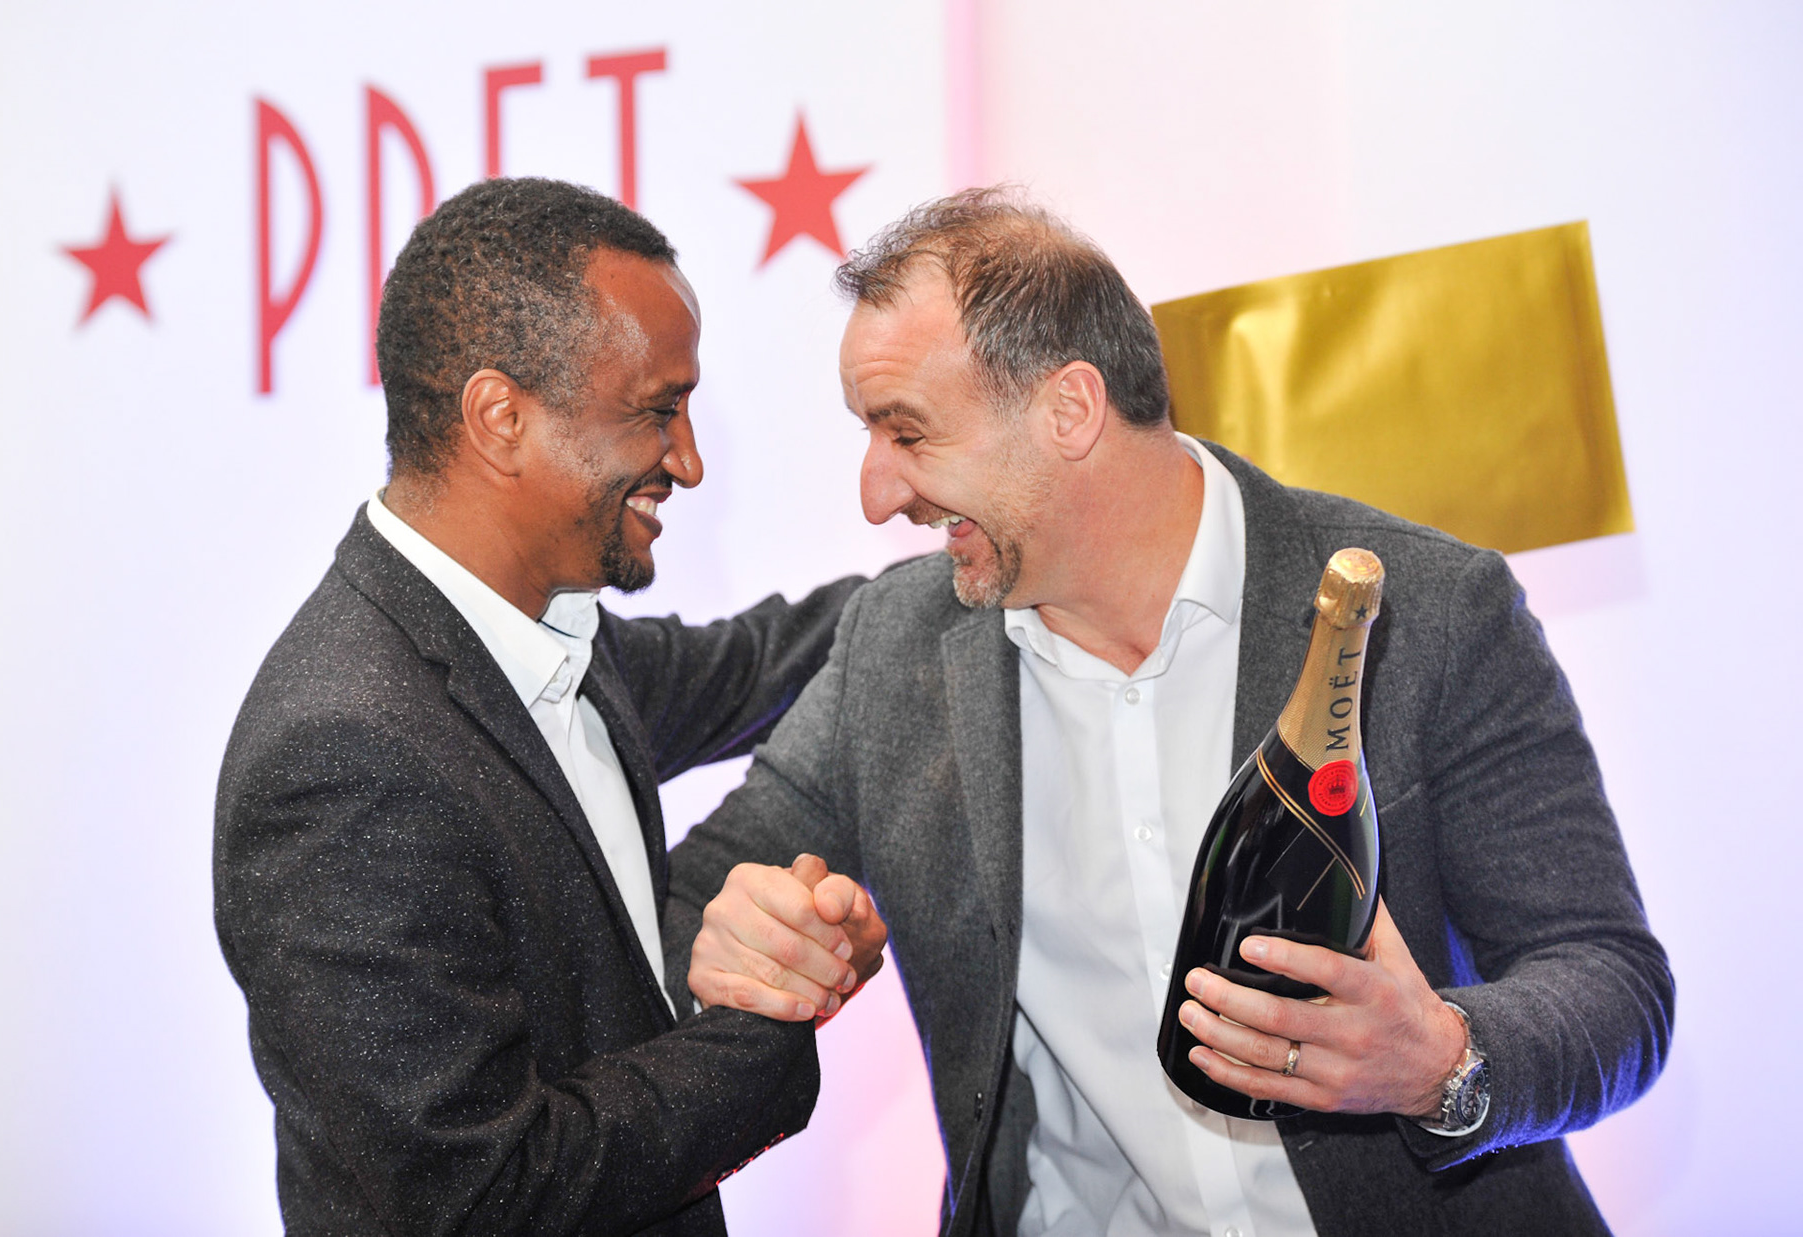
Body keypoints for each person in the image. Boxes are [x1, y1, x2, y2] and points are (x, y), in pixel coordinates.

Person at [671, 188, 1673, 1236]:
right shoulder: (895, 646)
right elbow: (684, 900)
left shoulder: (1432, 610)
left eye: (907, 432)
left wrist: (1443, 1062)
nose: (878, 495)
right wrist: (733, 930)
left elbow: (1613, 981)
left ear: (1070, 408)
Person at [214, 177, 883, 1237]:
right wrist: (767, 1019)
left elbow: (763, 661)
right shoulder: (343, 754)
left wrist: (978, 558)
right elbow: (480, 1192)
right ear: (501, 418)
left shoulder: (556, 633)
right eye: (657, 410)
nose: (689, 460)